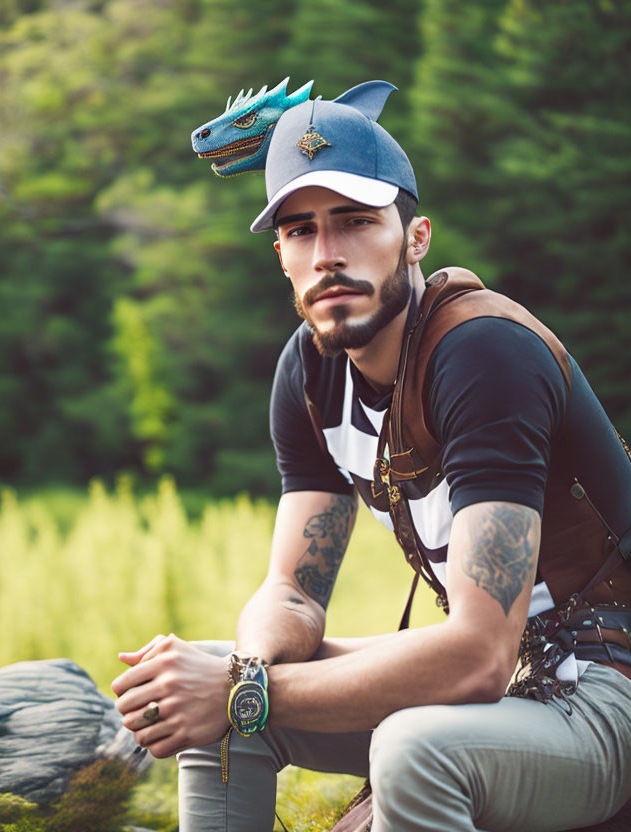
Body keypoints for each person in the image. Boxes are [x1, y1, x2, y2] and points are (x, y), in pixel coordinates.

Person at [111, 82, 631, 832]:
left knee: (412, 749)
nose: (328, 255)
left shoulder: (483, 353)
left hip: (601, 686)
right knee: (218, 700)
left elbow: (480, 653)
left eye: (356, 222)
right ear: (281, 255)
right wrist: (242, 675)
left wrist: (241, 691)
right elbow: (291, 595)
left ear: (415, 237)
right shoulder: (312, 375)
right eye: (300, 231)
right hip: (507, 686)